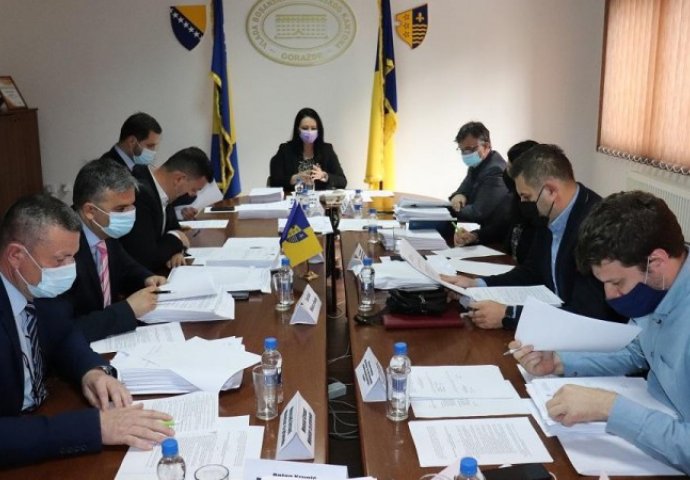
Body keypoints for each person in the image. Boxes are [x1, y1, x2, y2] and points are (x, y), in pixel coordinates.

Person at [510, 191, 690, 474]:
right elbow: (636, 351)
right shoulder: (658, 286)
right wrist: (558, 362)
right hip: (657, 424)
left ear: (656, 263)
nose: (610, 295)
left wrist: (609, 408)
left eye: (617, 282)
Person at [0, 193, 173, 467]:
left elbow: (65, 336)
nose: (70, 270)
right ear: (16, 256)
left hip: (44, 411)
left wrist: (91, 371)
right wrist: (94, 428)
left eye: (73, 257)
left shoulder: (37, 286)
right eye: (60, 260)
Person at [442, 144, 623, 329]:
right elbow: (532, 271)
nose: (522, 203)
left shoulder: (598, 227)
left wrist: (510, 315)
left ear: (551, 191)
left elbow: (588, 313)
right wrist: (477, 284)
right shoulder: (550, 214)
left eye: (527, 197)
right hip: (554, 321)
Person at [64, 159, 168, 342]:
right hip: (84, 346)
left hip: (112, 338)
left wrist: (146, 278)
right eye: (120, 209)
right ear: (90, 211)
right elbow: (67, 329)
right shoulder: (61, 250)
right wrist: (128, 309)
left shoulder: (104, 229)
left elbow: (125, 266)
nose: (129, 213)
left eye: (131, 205)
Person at [120, 147, 213, 272]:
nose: (192, 195)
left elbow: (173, 229)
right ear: (179, 179)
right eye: (194, 189)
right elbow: (147, 259)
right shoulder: (140, 195)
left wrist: (176, 251)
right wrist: (178, 239)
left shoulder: (163, 190)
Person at [454, 140, 539, 264]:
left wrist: (452, 209)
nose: (506, 172)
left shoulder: (538, 207)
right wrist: (475, 236)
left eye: (510, 168)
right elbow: (503, 227)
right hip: (508, 262)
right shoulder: (516, 197)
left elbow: (478, 212)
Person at [269, 107, 347, 192]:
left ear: (318, 130)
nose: (309, 132)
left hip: (319, 198)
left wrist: (324, 176)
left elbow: (342, 181)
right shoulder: (285, 150)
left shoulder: (326, 150)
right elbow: (274, 181)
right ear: (298, 130)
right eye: (305, 128)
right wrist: (294, 178)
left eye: (313, 128)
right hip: (293, 198)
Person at [448, 121, 510, 227]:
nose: (465, 154)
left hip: (489, 232)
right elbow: (460, 192)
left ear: (486, 146)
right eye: (462, 150)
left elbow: (477, 212)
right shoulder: (476, 165)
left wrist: (452, 207)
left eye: (469, 149)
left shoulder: (496, 170)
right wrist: (459, 195)